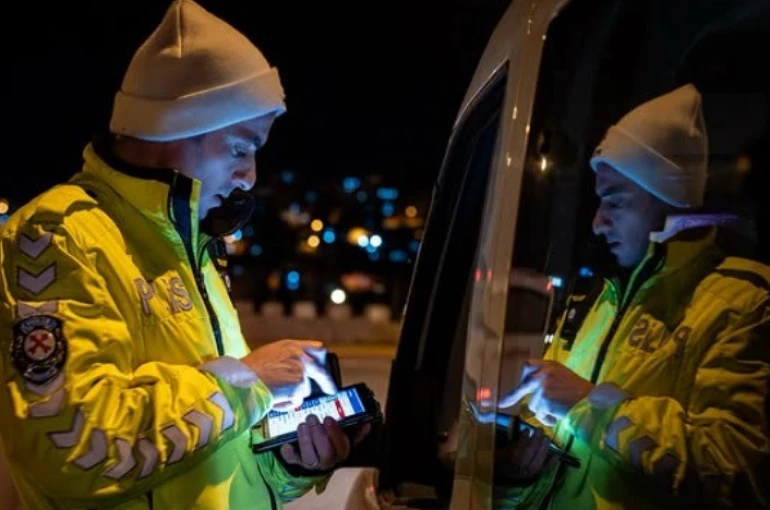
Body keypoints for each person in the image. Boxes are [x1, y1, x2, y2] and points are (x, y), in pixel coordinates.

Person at [0, 1, 368, 508]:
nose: (250, 175)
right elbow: (75, 452)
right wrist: (249, 380)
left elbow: (209, 460)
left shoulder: (192, 246)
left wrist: (290, 461)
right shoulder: (60, 237)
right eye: (241, 147)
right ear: (172, 129)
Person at [493, 84, 769, 508]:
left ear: (669, 199)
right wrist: (518, 473)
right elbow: (570, 468)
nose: (597, 224)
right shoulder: (600, 297)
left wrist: (589, 404)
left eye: (615, 202)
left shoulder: (745, 303)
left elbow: (736, 471)